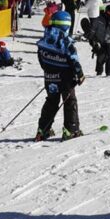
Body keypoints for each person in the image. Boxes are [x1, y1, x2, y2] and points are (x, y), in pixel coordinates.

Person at [34, 9, 83, 140]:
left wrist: (48, 70)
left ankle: (43, 130)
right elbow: (74, 61)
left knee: (51, 101)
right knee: (69, 101)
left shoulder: (45, 39)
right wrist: (80, 75)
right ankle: (70, 130)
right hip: (66, 79)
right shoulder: (66, 42)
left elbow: (40, 57)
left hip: (50, 77)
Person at [93, 4, 110, 76]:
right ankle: (99, 71)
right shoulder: (100, 18)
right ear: (106, 11)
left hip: (109, 41)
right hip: (100, 40)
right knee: (100, 55)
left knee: (108, 56)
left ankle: (109, 72)